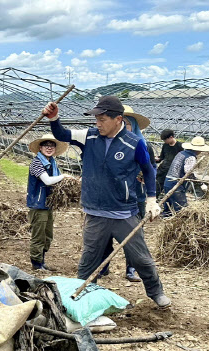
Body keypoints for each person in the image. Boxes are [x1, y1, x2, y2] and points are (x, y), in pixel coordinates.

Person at [42, 95, 171, 308]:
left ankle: (156, 292)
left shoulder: (135, 143)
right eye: (96, 119)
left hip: (124, 213)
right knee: (88, 261)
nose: (97, 124)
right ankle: (79, 299)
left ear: (118, 119)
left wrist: (151, 200)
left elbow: (149, 170)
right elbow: (62, 134)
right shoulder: (89, 136)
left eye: (102, 120)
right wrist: (54, 119)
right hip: (95, 212)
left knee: (141, 259)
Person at [100, 106, 156, 282]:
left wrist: (147, 189)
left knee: (133, 236)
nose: (124, 127)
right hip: (110, 197)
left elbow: (150, 170)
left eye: (128, 124)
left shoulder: (143, 145)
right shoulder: (105, 144)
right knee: (105, 234)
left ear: (133, 126)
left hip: (134, 198)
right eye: (122, 123)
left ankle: (131, 269)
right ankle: (103, 267)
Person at [26, 133, 69, 271]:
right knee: (38, 236)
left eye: (52, 146)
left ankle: (42, 262)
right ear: (40, 147)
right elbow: (48, 180)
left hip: (48, 204)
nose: (49, 148)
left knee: (47, 235)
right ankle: (37, 264)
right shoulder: (36, 163)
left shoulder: (52, 163)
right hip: (38, 204)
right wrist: (64, 176)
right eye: (46, 145)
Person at [162, 136, 209, 217]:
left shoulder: (181, 153)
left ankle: (165, 220)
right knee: (181, 209)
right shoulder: (191, 157)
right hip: (176, 185)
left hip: (168, 181)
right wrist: (201, 184)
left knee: (168, 208)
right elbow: (188, 173)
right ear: (198, 149)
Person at [155, 129, 183, 197]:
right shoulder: (165, 145)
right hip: (163, 168)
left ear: (171, 137)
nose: (165, 141)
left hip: (173, 171)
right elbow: (162, 157)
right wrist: (157, 159)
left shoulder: (180, 146)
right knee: (158, 184)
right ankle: (155, 198)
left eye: (165, 140)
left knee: (170, 187)